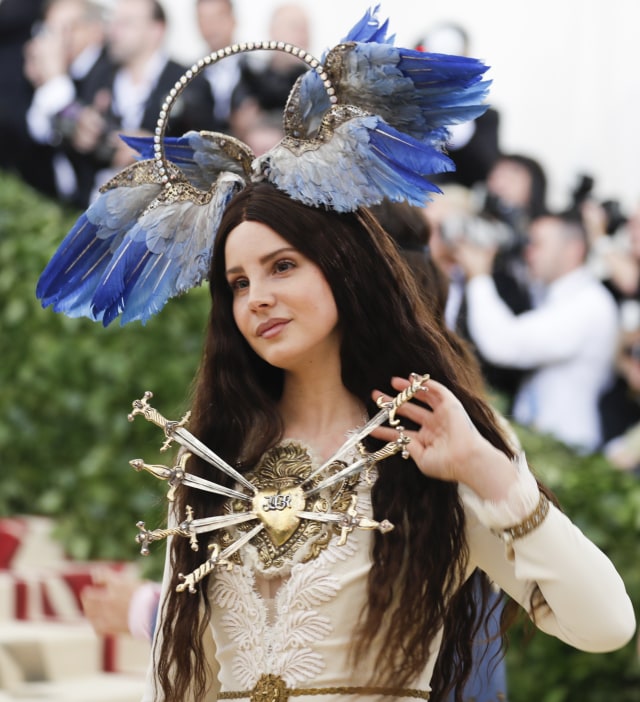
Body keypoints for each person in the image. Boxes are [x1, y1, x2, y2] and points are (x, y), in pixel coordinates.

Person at [36, 9, 635, 702]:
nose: (257, 295)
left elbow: (605, 624)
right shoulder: (214, 455)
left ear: (343, 268)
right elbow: (180, 677)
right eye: (238, 282)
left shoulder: (436, 442)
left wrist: (484, 468)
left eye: (283, 266)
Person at [456, 211, 619, 454]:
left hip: (565, 451)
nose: (528, 251)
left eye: (538, 243)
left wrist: (479, 275)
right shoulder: (559, 295)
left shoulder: (589, 304)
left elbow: (503, 344)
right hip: (544, 441)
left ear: (573, 250)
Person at [24, 0, 115, 207]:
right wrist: (45, 81)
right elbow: (38, 132)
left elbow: (84, 132)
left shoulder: (109, 70)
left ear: (95, 30)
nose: (57, 41)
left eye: (65, 29)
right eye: (50, 30)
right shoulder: (70, 72)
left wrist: (55, 78)